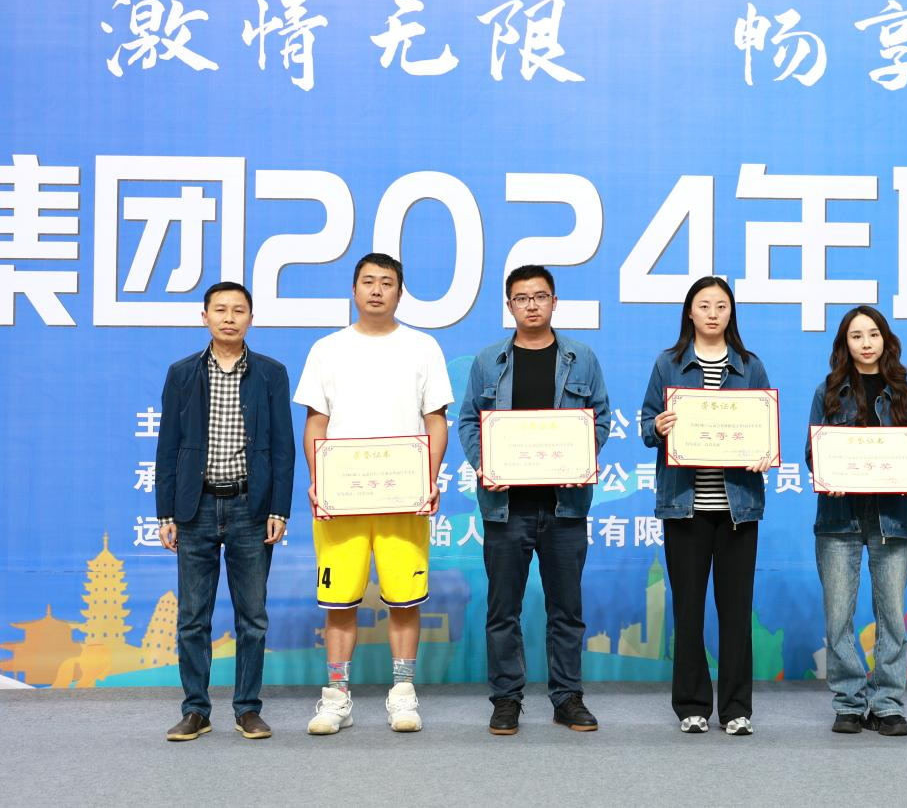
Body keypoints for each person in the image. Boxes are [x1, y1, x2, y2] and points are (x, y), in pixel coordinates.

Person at [293, 253, 453, 735]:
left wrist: (428, 479)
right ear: (354, 289)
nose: (377, 290)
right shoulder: (327, 349)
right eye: (368, 281)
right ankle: (336, 697)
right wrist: (320, 481)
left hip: (403, 498)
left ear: (400, 292)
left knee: (405, 599)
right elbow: (316, 423)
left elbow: (436, 421)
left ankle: (402, 694)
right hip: (342, 501)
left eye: (387, 282)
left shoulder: (423, 347)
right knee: (339, 603)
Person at [458, 265, 611, 735]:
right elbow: (469, 420)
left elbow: (600, 417)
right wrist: (484, 462)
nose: (531, 305)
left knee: (566, 610)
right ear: (509, 306)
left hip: (565, 506)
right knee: (503, 610)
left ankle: (567, 698)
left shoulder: (581, 358)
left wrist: (580, 456)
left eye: (540, 296)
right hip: (506, 508)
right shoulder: (489, 361)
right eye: (521, 298)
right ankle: (506, 700)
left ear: (554, 302)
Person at [155, 282, 295, 742]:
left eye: (238, 310)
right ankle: (196, 709)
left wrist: (279, 508)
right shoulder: (182, 373)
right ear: (205, 317)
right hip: (194, 508)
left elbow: (283, 448)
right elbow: (168, 447)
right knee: (192, 617)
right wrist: (165, 513)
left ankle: (247, 709)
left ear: (251, 319)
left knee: (252, 617)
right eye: (220, 310)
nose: (229, 318)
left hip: (250, 507)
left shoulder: (270, 373)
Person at [639, 276, 772, 737]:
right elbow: (645, 425)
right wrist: (658, 426)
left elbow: (765, 429)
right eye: (704, 305)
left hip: (738, 511)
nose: (713, 313)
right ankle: (692, 705)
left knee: (736, 613)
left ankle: (736, 708)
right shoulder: (668, 363)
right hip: (685, 508)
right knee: (688, 610)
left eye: (721, 305)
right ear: (690, 312)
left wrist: (765, 451)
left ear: (731, 313)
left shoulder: (750, 366)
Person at [806, 305, 907, 738]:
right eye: (856, 336)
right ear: (845, 344)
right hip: (839, 517)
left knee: (891, 615)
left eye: (873, 334)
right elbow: (813, 451)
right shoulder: (827, 391)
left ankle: (888, 704)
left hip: (891, 517)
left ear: (885, 340)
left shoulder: (902, 391)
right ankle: (849, 702)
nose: (866, 343)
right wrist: (828, 474)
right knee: (838, 616)